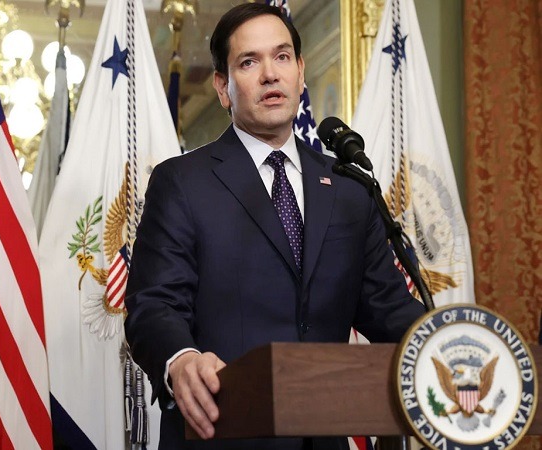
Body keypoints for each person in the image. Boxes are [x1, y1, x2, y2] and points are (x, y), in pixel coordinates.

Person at [124, 3, 426, 449]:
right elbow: (154, 305)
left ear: (300, 73)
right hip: (223, 433)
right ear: (223, 88)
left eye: (282, 57)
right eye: (249, 62)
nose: (270, 74)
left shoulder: (348, 187)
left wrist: (457, 348)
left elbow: (389, 310)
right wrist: (181, 359)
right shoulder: (182, 183)